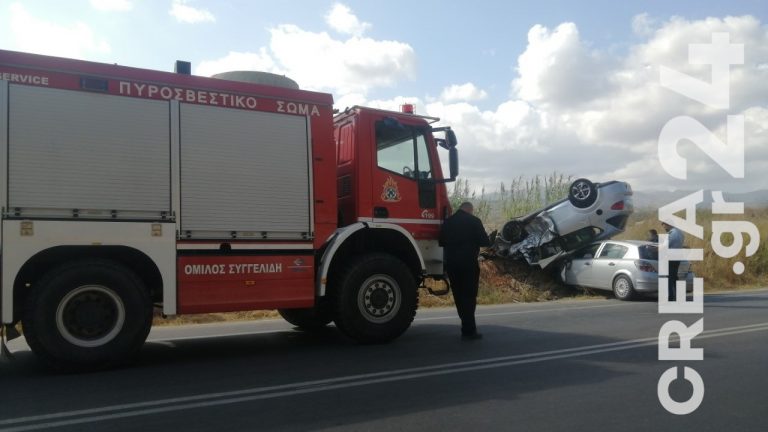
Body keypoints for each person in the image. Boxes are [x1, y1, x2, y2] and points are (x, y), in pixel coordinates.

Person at [439, 202, 491, 340]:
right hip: (468, 264)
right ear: (470, 209)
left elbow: (441, 242)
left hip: (452, 265)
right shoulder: (474, 221)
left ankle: (466, 326)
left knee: (458, 295)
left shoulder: (448, 222)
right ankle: (469, 330)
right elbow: (485, 242)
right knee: (469, 296)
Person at [662, 222, 684, 301]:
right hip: (678, 257)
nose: (664, 228)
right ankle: (679, 296)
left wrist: (655, 249)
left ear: (668, 224)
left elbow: (665, 246)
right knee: (674, 276)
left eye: (664, 226)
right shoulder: (680, 232)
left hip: (671, 257)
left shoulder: (671, 234)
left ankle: (670, 297)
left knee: (669, 277)